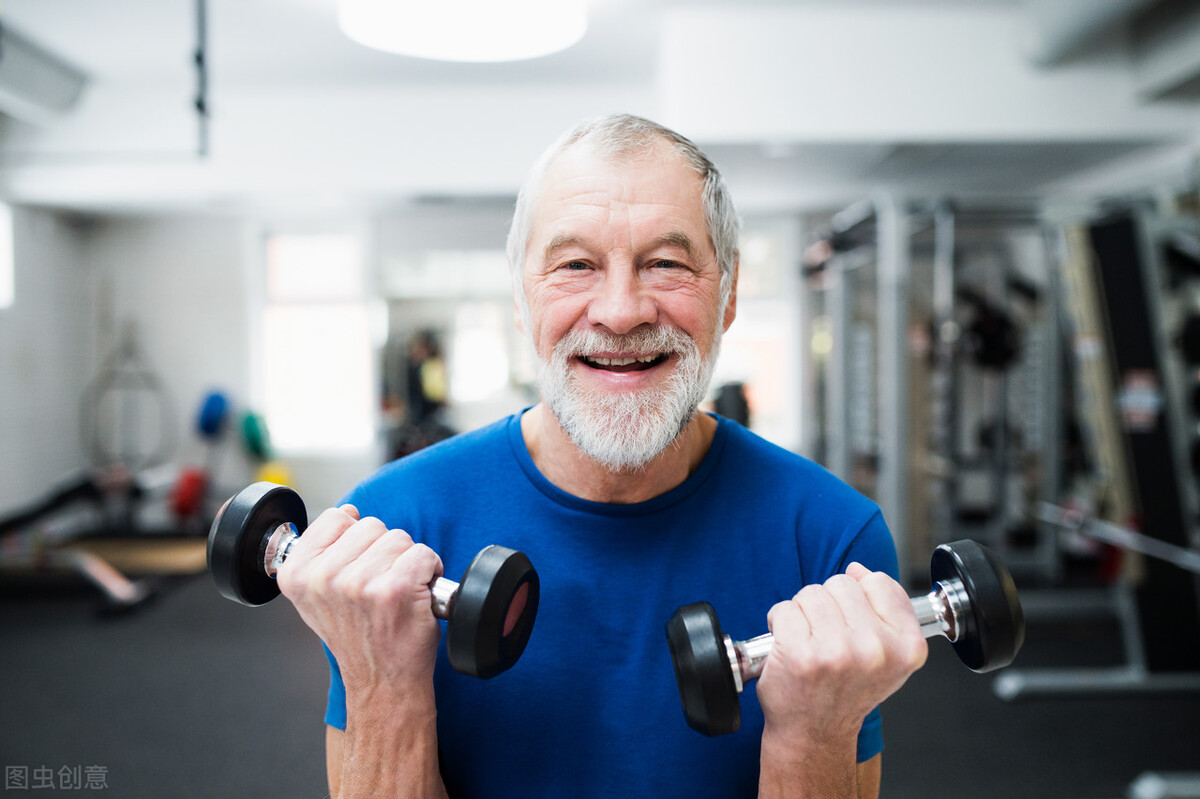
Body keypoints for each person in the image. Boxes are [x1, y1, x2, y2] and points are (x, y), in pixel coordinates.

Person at [276, 114, 927, 798]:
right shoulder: (389, 530)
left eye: (667, 263)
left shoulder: (830, 539)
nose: (620, 311)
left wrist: (812, 733)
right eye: (575, 265)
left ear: (729, 295)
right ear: (523, 300)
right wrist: (383, 685)